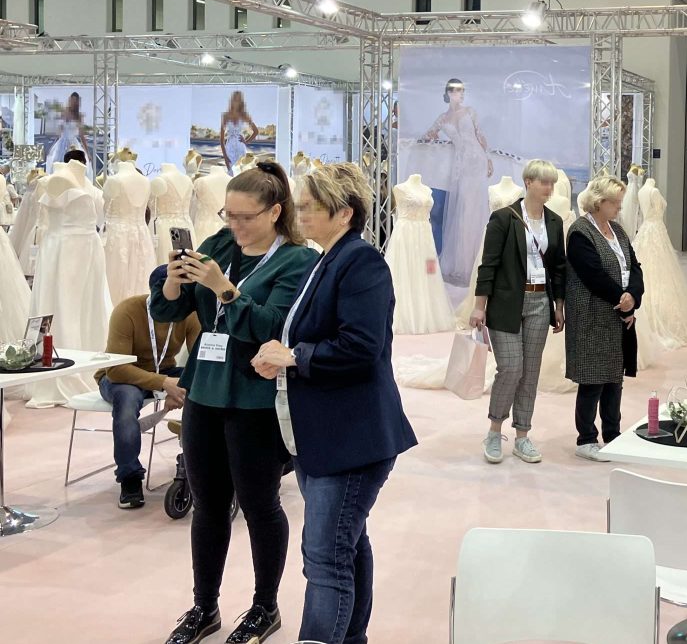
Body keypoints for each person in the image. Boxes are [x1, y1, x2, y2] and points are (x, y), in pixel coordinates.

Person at [151, 162, 319, 644]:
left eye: (247, 217)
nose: (236, 226)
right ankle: (204, 606)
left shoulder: (298, 261)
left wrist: (223, 289)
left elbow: (272, 327)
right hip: (205, 391)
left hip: (256, 398)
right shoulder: (219, 246)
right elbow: (169, 310)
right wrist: (174, 282)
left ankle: (265, 606)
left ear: (275, 212)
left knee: (260, 505)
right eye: (230, 215)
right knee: (208, 506)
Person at [250, 163, 417, 644]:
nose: (299, 214)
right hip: (324, 434)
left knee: (325, 557)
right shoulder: (326, 258)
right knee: (346, 543)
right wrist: (284, 353)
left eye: (309, 207)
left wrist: (295, 357)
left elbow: (362, 346)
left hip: (351, 437)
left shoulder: (360, 262)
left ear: (344, 213)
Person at [469, 159, 567, 465]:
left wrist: (559, 304)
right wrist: (479, 306)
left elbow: (559, 267)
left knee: (531, 371)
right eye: (544, 182)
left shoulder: (554, 222)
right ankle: (494, 430)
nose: (549, 188)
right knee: (511, 367)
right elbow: (488, 265)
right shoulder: (503, 218)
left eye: (552, 183)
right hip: (506, 302)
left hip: (540, 302)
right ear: (528, 183)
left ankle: (523, 435)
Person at [96, 269, 201, 509]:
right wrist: (164, 384)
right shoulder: (127, 311)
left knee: (204, 383)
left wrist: (183, 387)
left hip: (165, 371)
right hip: (122, 376)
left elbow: (200, 360)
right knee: (126, 400)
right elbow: (116, 369)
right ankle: (129, 477)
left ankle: (195, 467)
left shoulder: (189, 313)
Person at [565, 175, 644, 462]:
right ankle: (586, 438)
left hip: (617, 315)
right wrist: (622, 301)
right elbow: (592, 275)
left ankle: (612, 434)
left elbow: (634, 267)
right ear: (599, 202)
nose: (619, 208)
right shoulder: (580, 232)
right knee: (592, 379)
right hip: (591, 316)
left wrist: (632, 295)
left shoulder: (618, 230)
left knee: (613, 378)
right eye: (615, 203)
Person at [423, 78, 493, 285]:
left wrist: (488, 158)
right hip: (461, 165)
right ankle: (463, 262)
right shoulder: (443, 118)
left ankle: (476, 261)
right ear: (448, 93)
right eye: (456, 91)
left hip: (477, 162)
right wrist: (431, 136)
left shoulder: (470, 111)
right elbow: (429, 134)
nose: (460, 94)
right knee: (463, 210)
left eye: (462, 91)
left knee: (474, 208)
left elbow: (480, 135)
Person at [45, 91, 90, 172]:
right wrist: (53, 145)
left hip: (73, 143)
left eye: (75, 100)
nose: (73, 102)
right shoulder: (64, 112)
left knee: (76, 165)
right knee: (58, 163)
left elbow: (82, 135)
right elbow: (60, 130)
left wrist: (87, 152)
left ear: (77, 102)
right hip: (62, 143)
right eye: (72, 100)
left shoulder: (79, 116)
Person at [220, 91, 259, 177]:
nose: (236, 102)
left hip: (241, 148)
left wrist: (246, 142)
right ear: (232, 100)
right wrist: (225, 157)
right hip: (229, 148)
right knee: (231, 175)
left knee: (241, 175)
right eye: (235, 99)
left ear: (241, 102)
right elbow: (221, 140)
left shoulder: (244, 115)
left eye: (238, 100)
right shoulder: (225, 116)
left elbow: (256, 131)